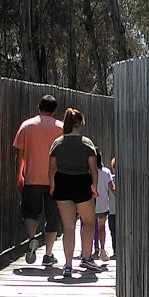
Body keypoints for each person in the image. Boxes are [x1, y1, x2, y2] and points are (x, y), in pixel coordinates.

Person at [12, 95, 63, 266]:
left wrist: (19, 175)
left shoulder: (27, 126)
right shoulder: (61, 128)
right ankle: (48, 254)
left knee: (30, 212)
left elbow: (19, 155)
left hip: (32, 178)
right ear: (54, 110)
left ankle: (32, 238)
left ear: (38, 107)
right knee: (53, 217)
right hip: (55, 181)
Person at [48, 108, 99, 275]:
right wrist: (95, 187)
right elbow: (93, 169)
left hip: (62, 182)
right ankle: (86, 257)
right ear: (78, 123)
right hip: (81, 182)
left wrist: (53, 185)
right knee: (89, 222)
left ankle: (68, 265)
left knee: (68, 226)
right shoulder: (86, 143)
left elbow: (51, 168)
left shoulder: (57, 143)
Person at [94, 151, 113, 261]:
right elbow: (112, 187)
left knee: (89, 226)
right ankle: (102, 249)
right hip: (103, 204)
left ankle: (88, 250)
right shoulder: (106, 172)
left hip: (90, 203)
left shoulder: (88, 172)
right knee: (102, 227)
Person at [107, 156, 117, 257]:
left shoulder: (111, 179)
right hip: (113, 211)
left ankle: (115, 250)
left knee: (113, 232)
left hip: (112, 211)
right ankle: (116, 250)